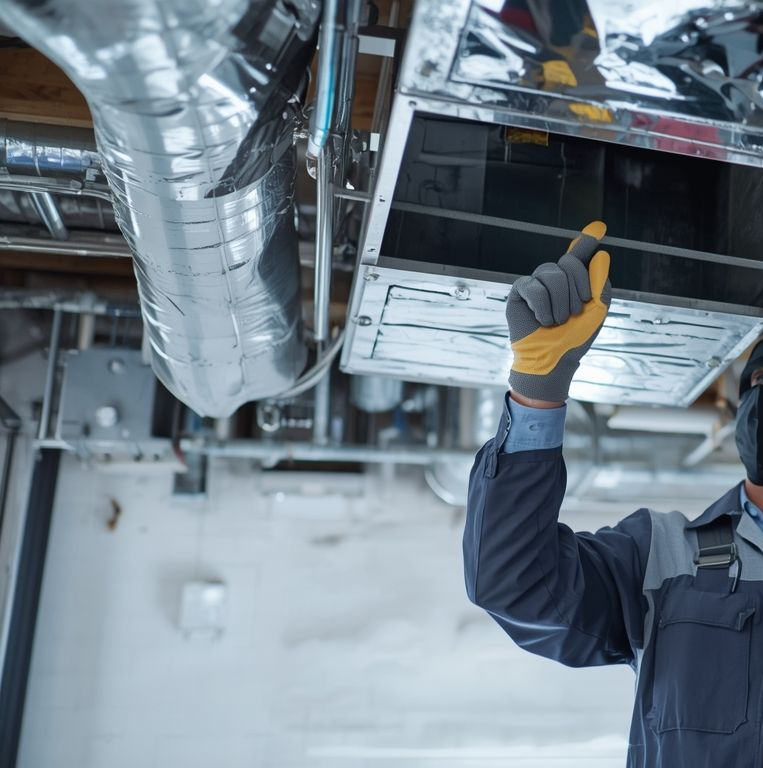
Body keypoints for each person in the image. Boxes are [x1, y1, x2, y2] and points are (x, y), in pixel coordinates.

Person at [463, 221, 763, 768]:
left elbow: (508, 584)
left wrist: (535, 398)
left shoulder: (671, 562)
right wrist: (540, 383)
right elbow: (520, 586)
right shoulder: (662, 557)